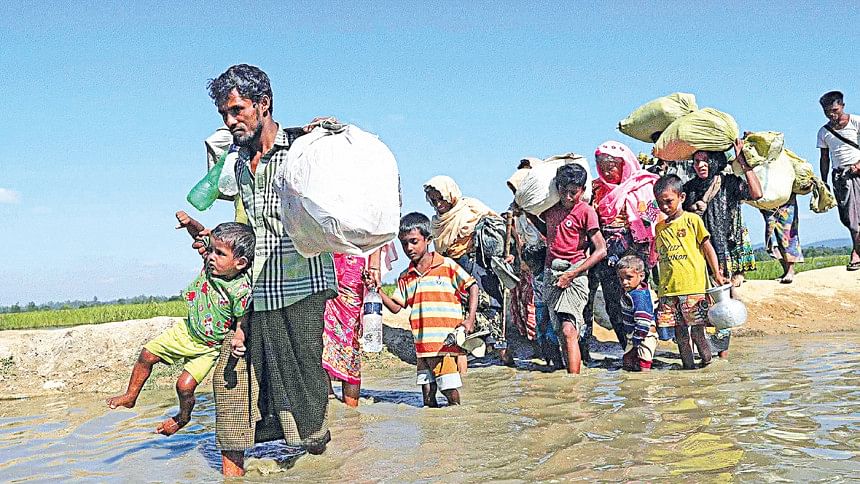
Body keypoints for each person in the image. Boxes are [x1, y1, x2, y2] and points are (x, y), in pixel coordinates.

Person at [204, 64, 339, 477]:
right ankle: (234, 465)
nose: (231, 121)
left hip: (303, 281)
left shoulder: (301, 149)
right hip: (256, 287)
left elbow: (341, 167)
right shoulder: (238, 162)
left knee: (306, 381)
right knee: (234, 374)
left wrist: (327, 133)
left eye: (237, 110)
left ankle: (319, 459)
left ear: (264, 104)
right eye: (224, 114)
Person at [107, 213, 253, 437]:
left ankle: (183, 417)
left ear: (240, 263)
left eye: (220, 253)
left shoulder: (240, 289)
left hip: (208, 347)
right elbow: (201, 236)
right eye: (212, 251)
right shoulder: (210, 267)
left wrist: (239, 337)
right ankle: (130, 396)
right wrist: (190, 223)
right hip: (187, 331)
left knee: (184, 387)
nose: (211, 256)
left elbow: (243, 317)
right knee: (147, 355)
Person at [379, 212, 479, 407]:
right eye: (404, 243)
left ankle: (457, 420)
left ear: (428, 240)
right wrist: (377, 290)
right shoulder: (406, 276)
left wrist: (470, 319)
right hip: (422, 346)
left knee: (449, 390)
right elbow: (396, 307)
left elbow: (472, 286)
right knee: (427, 395)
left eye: (414, 241)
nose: (409, 248)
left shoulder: (447, 266)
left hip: (444, 344)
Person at [423, 175, 513, 367]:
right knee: (460, 318)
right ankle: (464, 365)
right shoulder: (436, 223)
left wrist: (504, 254)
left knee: (491, 310)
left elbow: (498, 227)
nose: (438, 204)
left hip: (478, 266)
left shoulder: (470, 207)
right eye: (433, 200)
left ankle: (506, 360)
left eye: (441, 199)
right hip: (454, 271)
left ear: (450, 194)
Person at [529, 164, 607, 374]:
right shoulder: (551, 210)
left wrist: (572, 274)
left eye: (573, 192)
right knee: (559, 331)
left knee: (568, 329)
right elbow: (550, 232)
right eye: (563, 191)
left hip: (575, 273)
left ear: (583, 190)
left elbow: (601, 249)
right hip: (551, 274)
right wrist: (528, 215)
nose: (568, 197)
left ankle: (573, 385)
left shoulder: (586, 212)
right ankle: (569, 375)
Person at [587, 141, 660, 352]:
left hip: (635, 255)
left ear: (624, 165)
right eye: (602, 167)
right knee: (613, 305)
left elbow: (653, 219)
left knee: (638, 302)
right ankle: (627, 349)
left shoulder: (643, 186)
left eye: (611, 167)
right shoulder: (595, 189)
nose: (606, 172)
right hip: (606, 257)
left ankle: (644, 349)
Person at [653, 175, 728, 370]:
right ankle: (688, 368)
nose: (664, 206)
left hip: (693, 288)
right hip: (669, 290)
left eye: (668, 201)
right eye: (660, 203)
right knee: (680, 334)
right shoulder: (659, 228)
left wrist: (717, 274)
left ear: (682, 197)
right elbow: (659, 257)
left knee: (697, 331)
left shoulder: (692, 220)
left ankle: (707, 364)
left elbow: (707, 248)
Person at [683, 140, 762, 288]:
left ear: (715, 161)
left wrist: (743, 163)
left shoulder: (728, 182)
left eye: (705, 160)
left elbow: (756, 193)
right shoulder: (689, 189)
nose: (700, 165)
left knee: (729, 292)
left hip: (728, 247)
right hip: (702, 251)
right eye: (697, 161)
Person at [321, 250, 380, 408]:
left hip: (353, 270)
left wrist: (374, 268)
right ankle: (330, 398)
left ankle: (351, 410)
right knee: (323, 337)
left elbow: (377, 237)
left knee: (351, 341)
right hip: (327, 262)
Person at [817, 90, 860, 270]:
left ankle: (856, 253)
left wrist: (858, 165)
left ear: (842, 106)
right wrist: (823, 182)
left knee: (856, 218)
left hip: (857, 172)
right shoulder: (824, 132)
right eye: (827, 112)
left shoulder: (856, 122)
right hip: (841, 177)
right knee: (849, 217)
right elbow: (824, 158)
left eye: (834, 110)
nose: (831, 114)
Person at [616, 255, 658, 372]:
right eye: (621, 279)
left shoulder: (640, 296)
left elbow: (643, 322)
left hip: (645, 334)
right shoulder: (632, 292)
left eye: (629, 278)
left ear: (641, 276)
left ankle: (644, 380)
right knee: (628, 361)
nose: (624, 282)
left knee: (644, 362)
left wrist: (637, 340)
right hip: (634, 333)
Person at [760, 195, 804, 283]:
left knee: (787, 234)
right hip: (768, 199)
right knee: (771, 236)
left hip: (786, 198)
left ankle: (790, 270)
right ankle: (786, 269)